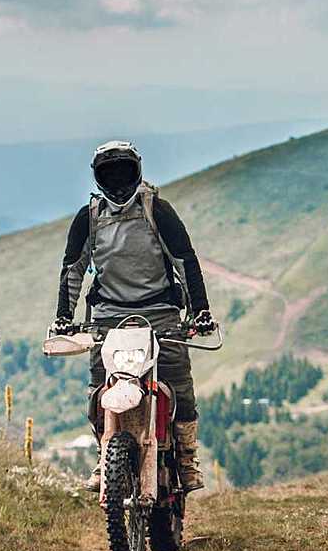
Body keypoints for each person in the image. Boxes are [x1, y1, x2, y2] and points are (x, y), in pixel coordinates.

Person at [51, 141, 216, 490]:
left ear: (136, 170)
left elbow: (185, 261)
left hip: (160, 313)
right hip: (108, 317)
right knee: (100, 388)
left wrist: (200, 311)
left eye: (123, 171)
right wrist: (63, 317)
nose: (118, 180)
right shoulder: (90, 217)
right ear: (98, 178)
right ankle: (105, 452)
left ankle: (186, 458)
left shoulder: (157, 210)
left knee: (179, 384)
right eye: (109, 173)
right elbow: (73, 270)